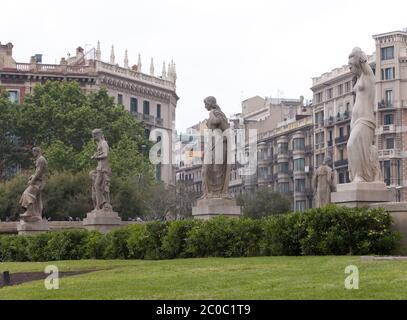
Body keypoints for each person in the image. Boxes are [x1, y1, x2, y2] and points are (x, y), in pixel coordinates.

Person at [347, 47, 381, 182]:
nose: (349, 68)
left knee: (352, 145)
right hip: (355, 120)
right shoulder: (359, 78)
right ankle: (356, 176)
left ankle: (361, 175)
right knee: (353, 147)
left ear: (356, 63)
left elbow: (365, 65)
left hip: (365, 119)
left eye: (350, 65)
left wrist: (362, 58)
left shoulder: (368, 76)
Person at [201, 96, 232, 199]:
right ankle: (208, 192)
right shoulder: (212, 114)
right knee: (205, 169)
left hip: (219, 142)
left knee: (217, 169)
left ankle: (218, 193)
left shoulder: (218, 114)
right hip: (211, 143)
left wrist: (212, 114)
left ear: (210, 103)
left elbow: (224, 128)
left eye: (206, 103)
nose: (205, 106)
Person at [19, 147, 48, 221]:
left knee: (27, 194)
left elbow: (39, 172)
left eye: (33, 152)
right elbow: (38, 171)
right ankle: (37, 214)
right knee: (37, 200)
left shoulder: (41, 159)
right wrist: (32, 176)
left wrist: (32, 180)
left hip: (38, 182)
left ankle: (30, 212)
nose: (33, 153)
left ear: (37, 151)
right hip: (39, 181)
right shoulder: (40, 159)